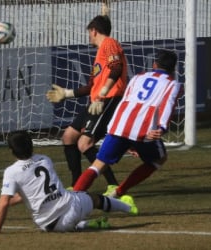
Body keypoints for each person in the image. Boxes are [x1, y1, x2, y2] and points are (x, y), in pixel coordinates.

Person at [0, 131, 137, 235]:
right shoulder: (45, 159)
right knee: (93, 198)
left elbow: (11, 200)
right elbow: (9, 201)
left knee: (71, 216)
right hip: (73, 207)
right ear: (31, 146)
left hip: (50, 225)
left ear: (12, 151)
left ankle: (86, 225)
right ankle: (128, 208)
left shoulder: (11, 172)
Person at [72, 49, 181, 199]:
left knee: (98, 165)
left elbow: (125, 100)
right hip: (143, 130)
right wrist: (161, 128)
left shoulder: (138, 77)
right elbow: (167, 105)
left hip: (119, 125)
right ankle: (118, 192)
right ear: (173, 68)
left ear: (154, 64)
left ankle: (73, 198)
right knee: (159, 159)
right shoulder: (172, 84)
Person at [46, 15, 128, 194]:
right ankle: (77, 185)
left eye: (89, 33)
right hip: (96, 101)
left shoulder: (109, 43)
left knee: (85, 143)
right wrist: (66, 94)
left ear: (94, 30)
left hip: (108, 99)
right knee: (68, 137)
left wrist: (103, 93)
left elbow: (117, 68)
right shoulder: (100, 53)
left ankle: (113, 185)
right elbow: (91, 86)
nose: (89, 37)